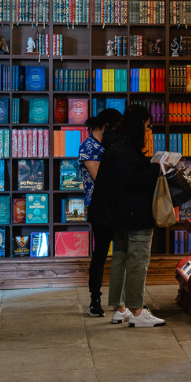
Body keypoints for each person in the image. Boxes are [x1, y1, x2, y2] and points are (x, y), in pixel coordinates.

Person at [90, 104, 167, 328]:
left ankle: (120, 308)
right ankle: (136, 311)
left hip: (119, 213)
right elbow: (131, 179)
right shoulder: (125, 147)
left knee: (121, 257)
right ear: (139, 126)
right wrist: (157, 169)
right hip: (133, 212)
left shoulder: (117, 144)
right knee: (137, 260)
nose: (149, 131)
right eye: (147, 126)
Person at [80, 108, 124, 317]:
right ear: (107, 126)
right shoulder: (88, 146)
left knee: (122, 252)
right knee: (100, 254)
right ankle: (94, 299)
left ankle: (121, 301)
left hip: (116, 204)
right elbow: (100, 178)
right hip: (100, 207)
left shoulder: (110, 145)